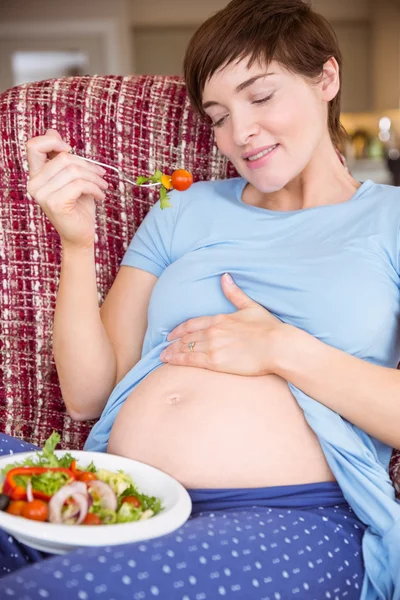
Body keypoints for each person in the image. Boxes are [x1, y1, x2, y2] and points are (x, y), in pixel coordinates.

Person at [1, 0, 400, 598]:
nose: (239, 134)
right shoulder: (181, 210)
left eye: (260, 97)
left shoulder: (392, 220)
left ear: (327, 78)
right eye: (217, 115)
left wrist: (280, 348)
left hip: (291, 518)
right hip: (120, 493)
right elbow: (87, 395)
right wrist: (75, 244)